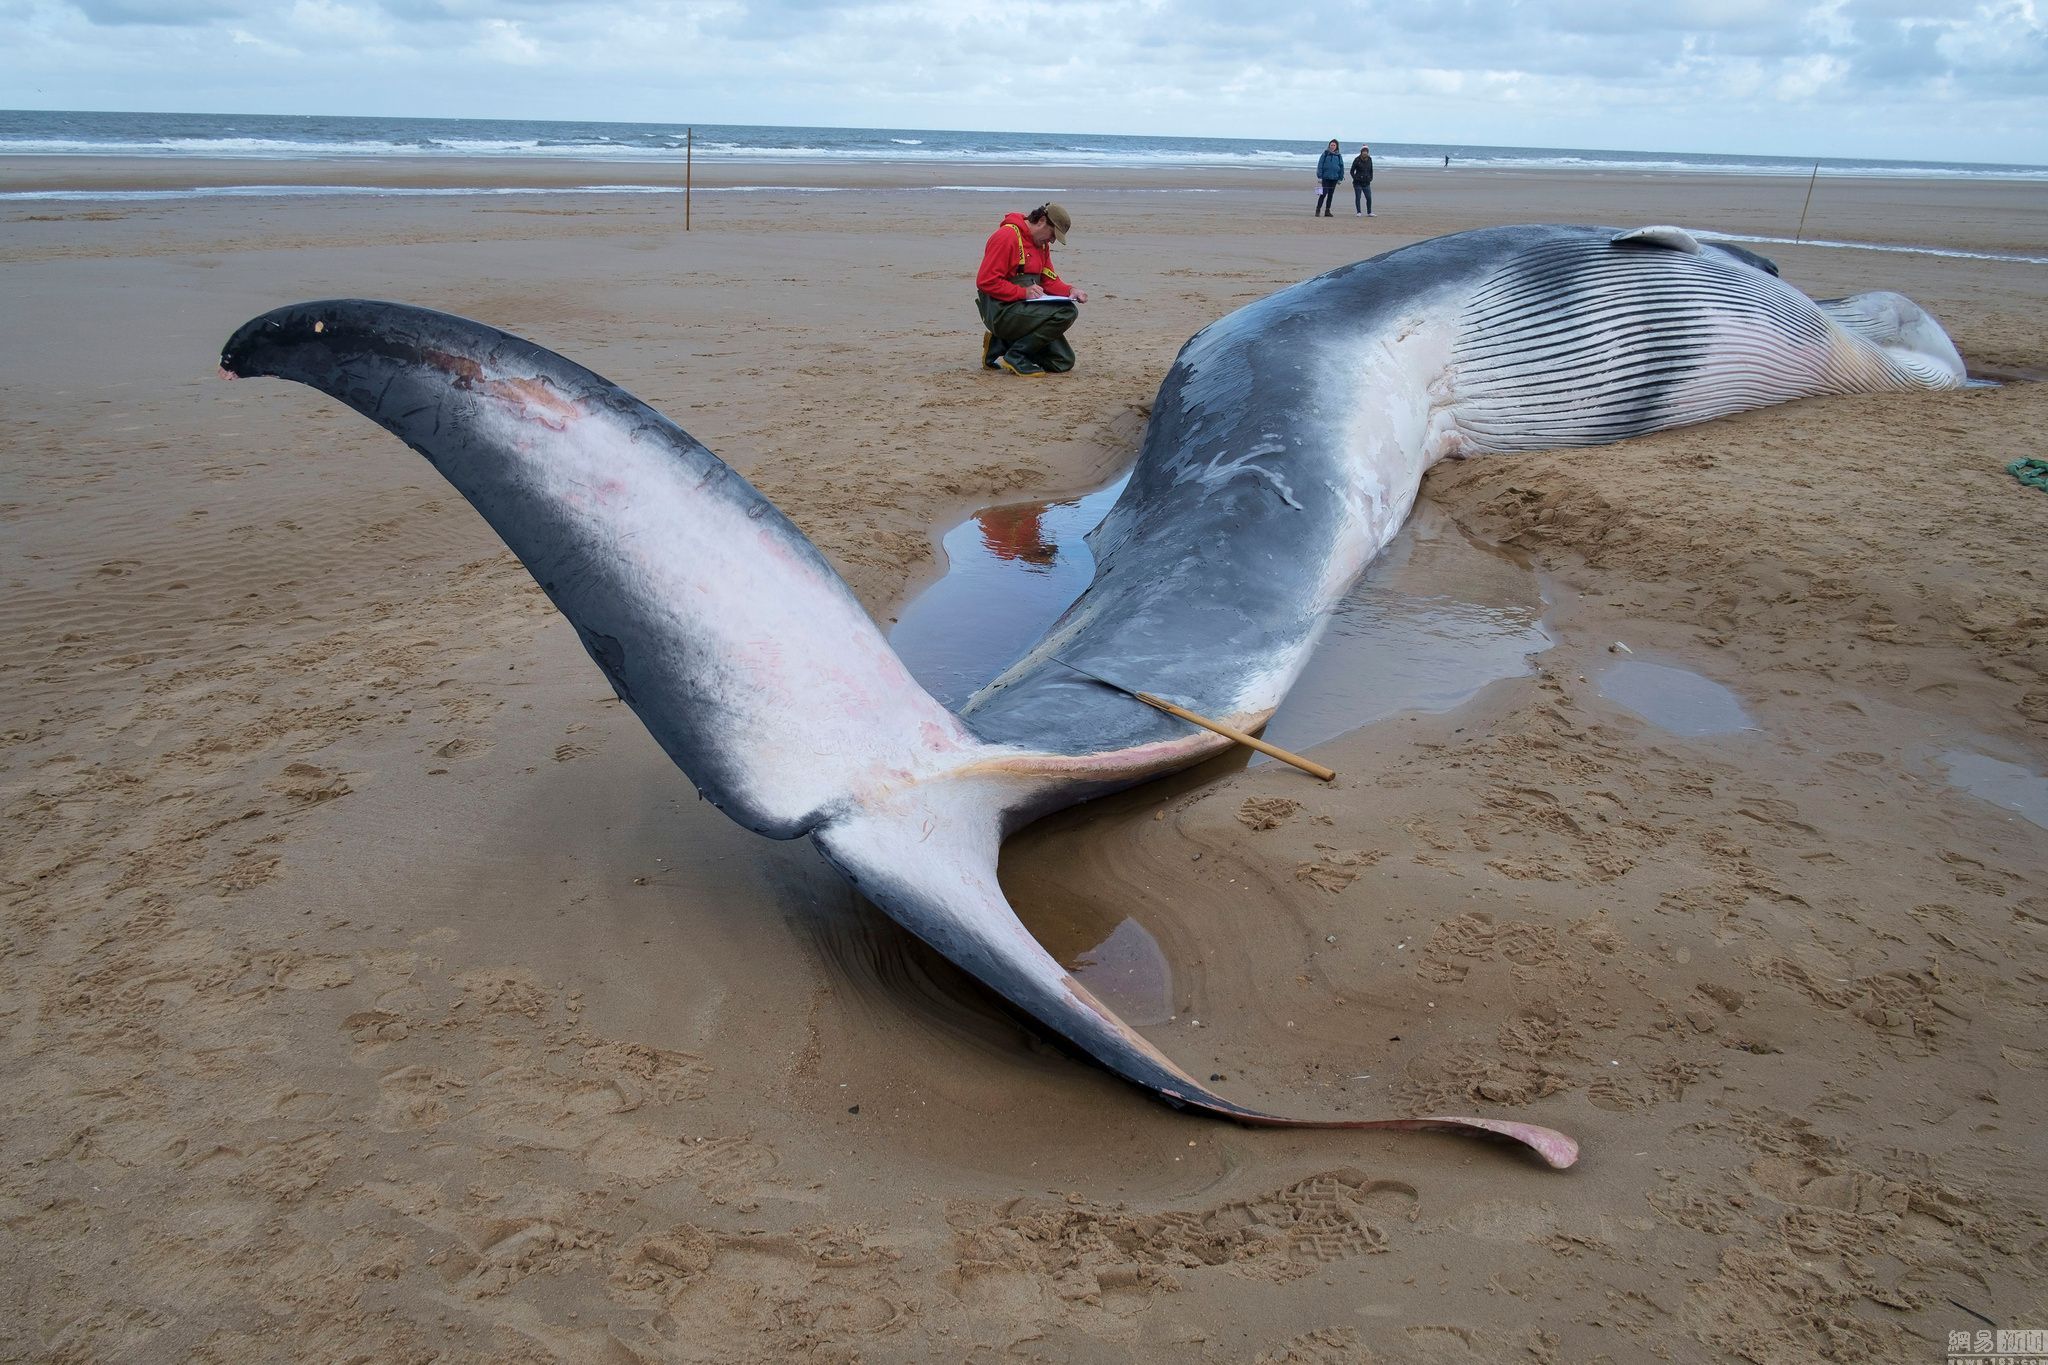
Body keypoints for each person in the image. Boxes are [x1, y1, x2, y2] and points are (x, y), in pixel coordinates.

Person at [975, 202, 1088, 377]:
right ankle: (1016, 355)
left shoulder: (1041, 245)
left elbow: (1048, 280)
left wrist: (1070, 290)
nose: (1051, 241)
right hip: (1000, 311)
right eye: (1052, 235)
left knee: (1063, 361)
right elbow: (986, 281)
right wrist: (1023, 292)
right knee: (1066, 312)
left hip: (1024, 310)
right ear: (1042, 221)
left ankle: (1001, 344)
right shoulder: (1007, 236)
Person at [1314, 139, 1344, 217]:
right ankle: (1318, 210)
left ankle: (1327, 211)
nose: (1332, 146)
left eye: (1334, 145)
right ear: (1329, 146)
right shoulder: (1325, 153)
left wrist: (1340, 178)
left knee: (1331, 195)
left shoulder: (1339, 155)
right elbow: (1320, 165)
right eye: (1331, 145)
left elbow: (1341, 167)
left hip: (1334, 178)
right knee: (1323, 193)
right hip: (1325, 177)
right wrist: (1319, 176)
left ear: (1336, 146)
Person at [1350, 145, 1374, 216]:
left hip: (1366, 182)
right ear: (1361, 152)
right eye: (1363, 151)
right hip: (1357, 183)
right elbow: (1351, 171)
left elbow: (1371, 170)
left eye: (1366, 151)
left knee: (1369, 197)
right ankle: (1359, 212)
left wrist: (1371, 178)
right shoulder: (1357, 159)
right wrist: (1355, 178)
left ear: (1367, 152)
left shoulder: (1370, 159)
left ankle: (1369, 212)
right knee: (1358, 197)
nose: (1365, 153)